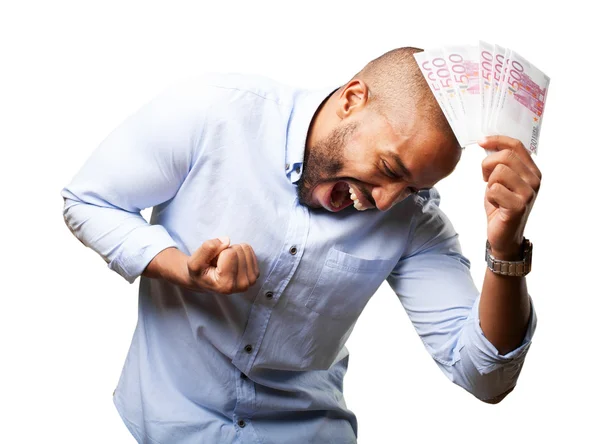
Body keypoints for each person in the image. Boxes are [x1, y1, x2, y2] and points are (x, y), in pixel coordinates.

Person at [61, 47, 539, 443]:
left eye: (410, 189)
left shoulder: (413, 221)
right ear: (353, 99)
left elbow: (484, 376)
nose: (386, 201)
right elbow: (89, 201)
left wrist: (507, 249)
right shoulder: (215, 113)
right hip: (166, 426)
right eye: (391, 169)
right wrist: (179, 268)